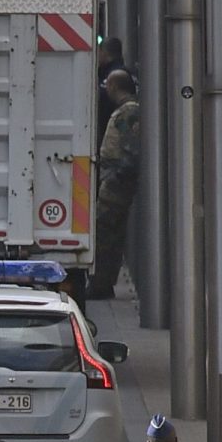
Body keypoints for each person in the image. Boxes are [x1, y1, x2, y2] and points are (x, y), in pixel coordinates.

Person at [91, 70, 141, 301]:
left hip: (115, 184)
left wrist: (117, 175)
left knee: (104, 233)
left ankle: (101, 282)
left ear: (113, 86)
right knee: (110, 234)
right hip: (115, 180)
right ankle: (103, 281)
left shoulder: (128, 112)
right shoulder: (129, 110)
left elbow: (131, 147)